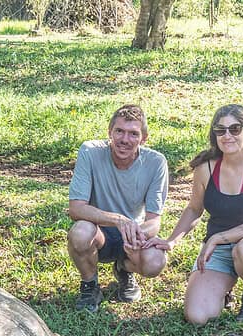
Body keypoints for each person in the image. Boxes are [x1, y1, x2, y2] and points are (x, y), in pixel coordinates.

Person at [145, 104, 243, 325]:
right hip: (218, 251)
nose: (227, 136)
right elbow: (194, 209)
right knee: (198, 317)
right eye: (220, 130)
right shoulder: (206, 169)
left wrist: (218, 238)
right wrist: (171, 241)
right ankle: (224, 289)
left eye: (234, 129)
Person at [67, 104, 169, 312]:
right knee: (79, 233)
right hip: (99, 231)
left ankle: (124, 269)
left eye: (133, 134)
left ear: (144, 138)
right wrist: (117, 220)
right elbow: (76, 209)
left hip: (133, 235)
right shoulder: (90, 152)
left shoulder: (156, 162)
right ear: (109, 132)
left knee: (155, 262)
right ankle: (90, 285)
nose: (125, 139)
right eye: (119, 131)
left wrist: (136, 233)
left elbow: (154, 220)